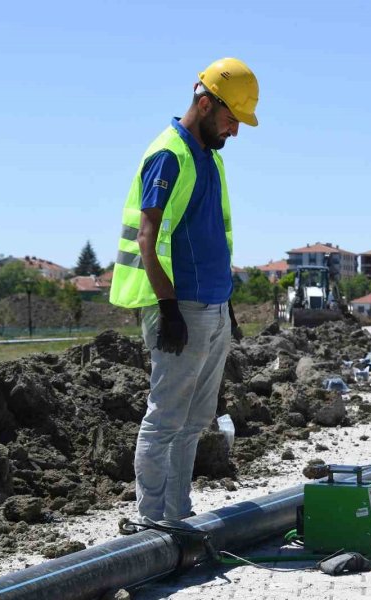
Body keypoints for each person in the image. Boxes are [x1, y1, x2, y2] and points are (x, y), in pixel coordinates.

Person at [109, 57, 259, 523]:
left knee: (194, 423)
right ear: (205, 102)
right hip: (183, 308)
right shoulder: (168, 155)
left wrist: (227, 302)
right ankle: (150, 523)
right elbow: (147, 239)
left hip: (212, 304)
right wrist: (168, 308)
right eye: (232, 118)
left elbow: (214, 235)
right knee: (165, 422)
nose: (234, 131)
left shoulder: (210, 158)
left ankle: (178, 516)